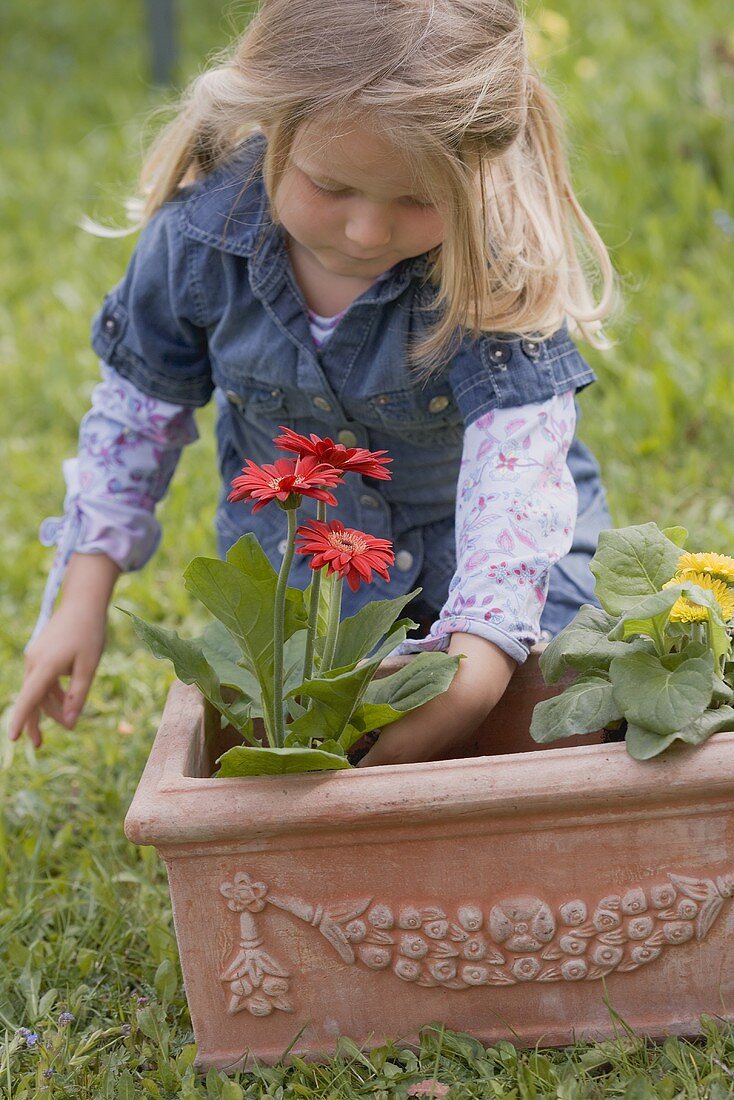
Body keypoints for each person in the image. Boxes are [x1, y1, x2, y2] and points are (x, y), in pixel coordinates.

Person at [10, 0, 615, 764]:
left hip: (501, 579)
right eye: (331, 187)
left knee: (556, 726)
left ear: (478, 169)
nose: (367, 231)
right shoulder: (197, 245)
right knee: (289, 738)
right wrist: (82, 597)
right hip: (307, 595)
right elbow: (135, 423)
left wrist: (476, 673)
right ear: (273, 125)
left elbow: (517, 487)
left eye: (418, 201)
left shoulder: (492, 266)